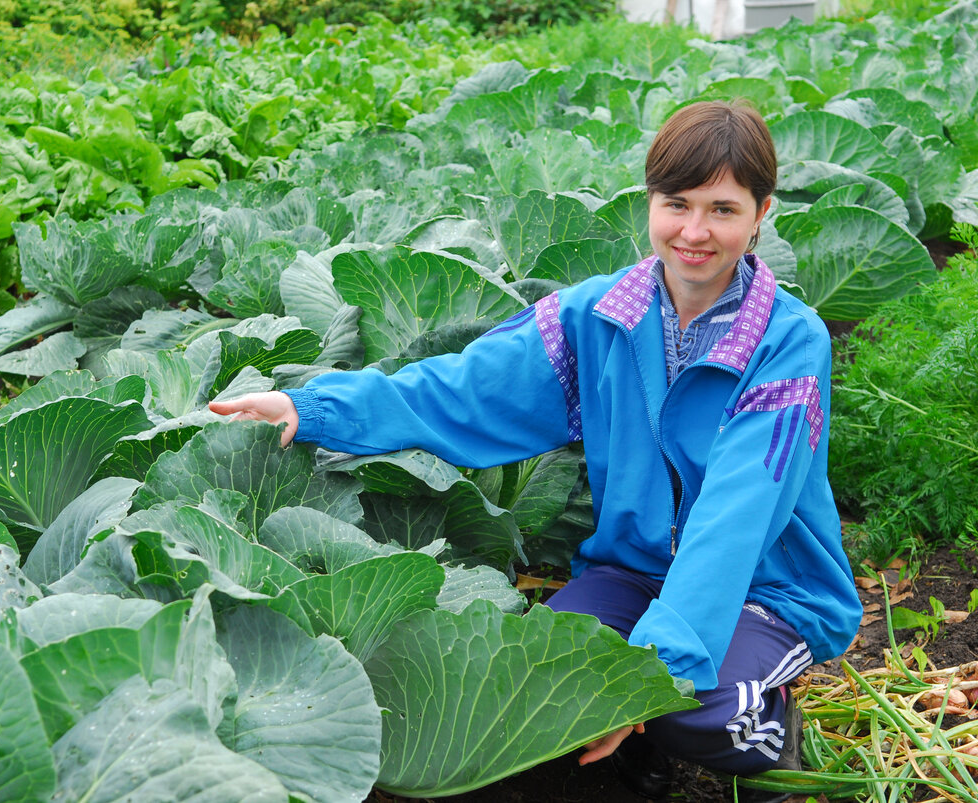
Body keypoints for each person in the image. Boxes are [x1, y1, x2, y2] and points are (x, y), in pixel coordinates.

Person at [209, 100, 862, 800]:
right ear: (650, 202)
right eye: (677, 204)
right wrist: (314, 408)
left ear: (761, 212)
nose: (694, 231)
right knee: (536, 688)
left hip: (764, 591)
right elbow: (463, 388)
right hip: (632, 572)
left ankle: (772, 727)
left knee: (691, 710)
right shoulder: (600, 315)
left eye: (723, 209)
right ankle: (631, 761)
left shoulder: (788, 346)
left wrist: (651, 672)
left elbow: (735, 520)